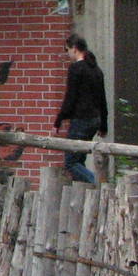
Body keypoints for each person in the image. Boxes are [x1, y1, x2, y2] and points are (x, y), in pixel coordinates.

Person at [54, 34, 107, 184]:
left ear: (75, 49)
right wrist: (103, 125)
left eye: (67, 50)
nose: (67, 54)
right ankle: (88, 195)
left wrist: (58, 121)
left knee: (71, 162)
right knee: (79, 160)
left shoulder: (76, 69)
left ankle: (99, 184)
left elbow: (70, 98)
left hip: (81, 120)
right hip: (95, 120)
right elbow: (102, 100)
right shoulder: (97, 70)